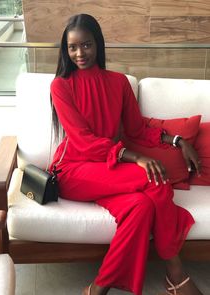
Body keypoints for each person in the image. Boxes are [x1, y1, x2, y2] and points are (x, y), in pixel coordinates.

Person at [49, 13, 203, 295]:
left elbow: (136, 129)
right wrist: (135, 158)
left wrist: (179, 140)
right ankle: (175, 272)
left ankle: (98, 288)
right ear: (65, 50)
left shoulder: (118, 82)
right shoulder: (61, 85)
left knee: (142, 208)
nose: (80, 53)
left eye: (86, 45)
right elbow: (82, 141)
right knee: (155, 179)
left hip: (108, 172)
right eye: (72, 47)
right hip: (74, 169)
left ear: (98, 45)